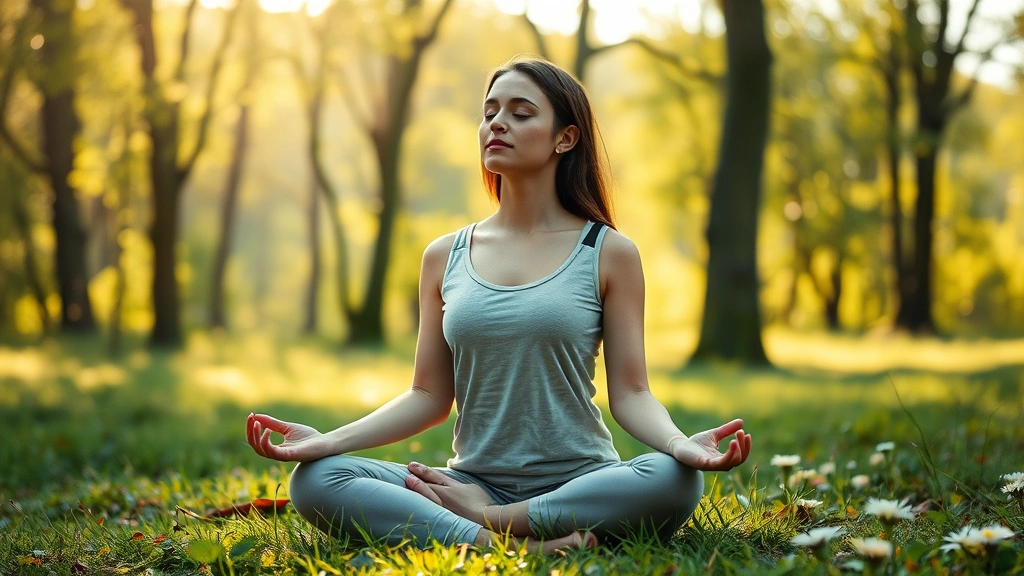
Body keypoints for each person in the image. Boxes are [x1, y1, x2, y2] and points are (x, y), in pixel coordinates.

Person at [245, 55, 751, 554]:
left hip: (583, 483)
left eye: (521, 113)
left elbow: (633, 394)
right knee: (316, 480)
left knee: (673, 479)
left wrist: (679, 443)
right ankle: (505, 544)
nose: (497, 124)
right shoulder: (444, 256)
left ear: (565, 138)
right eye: (489, 112)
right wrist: (329, 442)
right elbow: (427, 395)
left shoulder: (609, 252)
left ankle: (491, 524)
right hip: (470, 482)